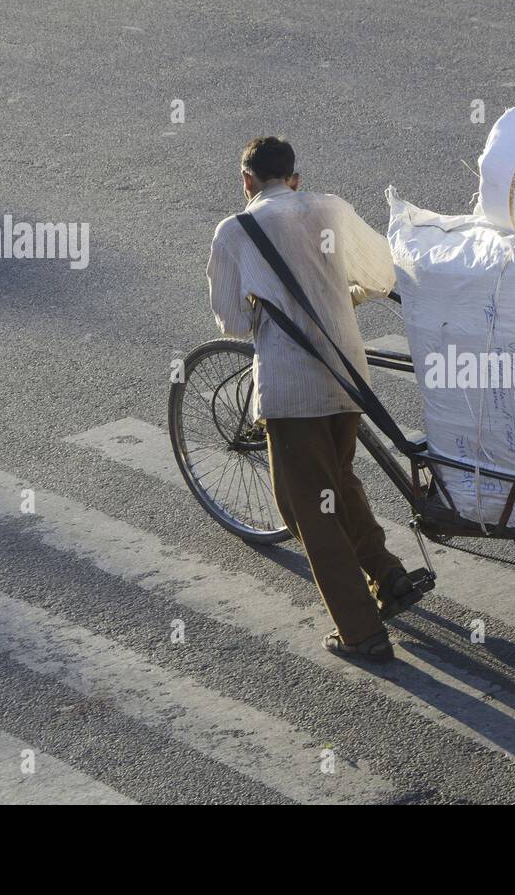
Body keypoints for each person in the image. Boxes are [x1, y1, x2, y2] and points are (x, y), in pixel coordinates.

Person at [206, 136, 414, 663]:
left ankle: (361, 632)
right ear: (295, 178)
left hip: (292, 388)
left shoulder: (235, 232)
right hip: (347, 376)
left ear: (247, 181)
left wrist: (265, 311)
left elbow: (231, 321)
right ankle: (388, 575)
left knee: (307, 509)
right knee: (337, 482)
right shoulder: (330, 207)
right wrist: (342, 295)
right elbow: (381, 273)